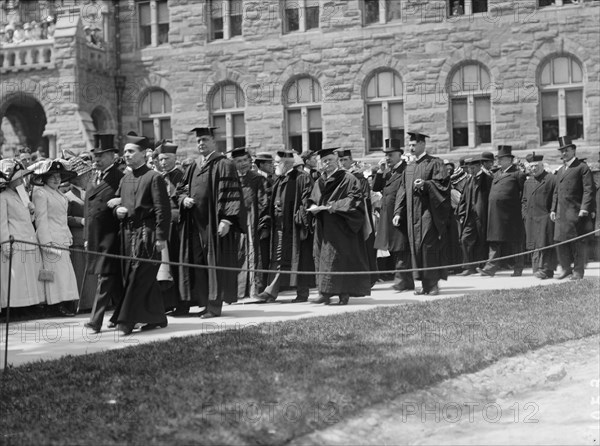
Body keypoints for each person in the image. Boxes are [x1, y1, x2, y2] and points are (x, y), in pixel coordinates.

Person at [177, 127, 246, 318]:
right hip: (195, 223)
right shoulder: (192, 166)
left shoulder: (224, 164)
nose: (201, 143)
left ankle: (215, 306)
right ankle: (205, 302)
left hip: (214, 222)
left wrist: (227, 219)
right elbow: (180, 189)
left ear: (214, 142)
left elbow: (233, 194)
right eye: (199, 140)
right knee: (199, 263)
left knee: (214, 263)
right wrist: (183, 199)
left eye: (205, 139)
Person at [110, 134, 171, 334]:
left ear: (144, 154)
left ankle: (126, 320)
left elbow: (163, 209)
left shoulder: (154, 178)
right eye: (125, 151)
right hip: (128, 233)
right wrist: (117, 211)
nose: (126, 155)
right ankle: (156, 318)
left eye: (130, 151)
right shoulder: (125, 178)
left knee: (138, 275)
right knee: (136, 275)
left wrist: (161, 237)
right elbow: (117, 202)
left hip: (148, 234)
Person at [309, 148, 371, 305]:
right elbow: (313, 199)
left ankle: (344, 293)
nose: (327, 163)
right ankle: (325, 293)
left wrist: (333, 206)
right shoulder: (319, 181)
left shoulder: (348, 178)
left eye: (330, 159)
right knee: (323, 258)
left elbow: (355, 199)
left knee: (341, 259)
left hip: (342, 226)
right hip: (323, 226)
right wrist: (312, 207)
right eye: (324, 161)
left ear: (336, 160)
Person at [393, 132, 451, 295]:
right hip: (412, 215)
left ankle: (433, 284)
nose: (411, 148)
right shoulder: (409, 168)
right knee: (416, 248)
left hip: (428, 214)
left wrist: (427, 184)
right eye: (409, 145)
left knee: (428, 247)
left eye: (414, 144)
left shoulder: (435, 163)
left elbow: (444, 186)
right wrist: (398, 211)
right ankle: (425, 285)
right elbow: (402, 190)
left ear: (423, 145)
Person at [257, 149, 315, 303]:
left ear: (286, 163)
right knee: (277, 258)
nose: (274, 165)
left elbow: (308, 201)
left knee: (299, 258)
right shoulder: (278, 179)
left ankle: (302, 293)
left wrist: (300, 219)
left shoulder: (303, 178)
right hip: (279, 226)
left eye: (277, 162)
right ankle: (271, 291)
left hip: (294, 227)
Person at [83, 134, 124, 333]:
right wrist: (86, 237)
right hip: (95, 236)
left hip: (111, 236)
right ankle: (120, 315)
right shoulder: (93, 177)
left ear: (112, 157)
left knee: (105, 277)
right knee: (112, 280)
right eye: (95, 155)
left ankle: (95, 320)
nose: (96, 159)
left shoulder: (119, 177)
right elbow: (87, 209)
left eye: (101, 155)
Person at [30, 159, 80, 316]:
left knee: (64, 273)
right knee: (52, 274)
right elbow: (41, 219)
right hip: (50, 238)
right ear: (44, 178)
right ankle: (54, 304)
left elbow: (62, 219)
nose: (56, 179)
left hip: (62, 238)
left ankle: (65, 302)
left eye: (58, 176)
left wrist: (68, 235)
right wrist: (46, 242)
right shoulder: (40, 193)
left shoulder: (60, 193)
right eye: (52, 176)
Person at [0, 159, 45, 310]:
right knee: (16, 277)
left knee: (30, 275)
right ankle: (14, 308)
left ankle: (30, 305)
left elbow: (28, 219)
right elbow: (2, 223)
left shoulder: (23, 194)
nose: (21, 180)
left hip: (29, 238)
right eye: (17, 178)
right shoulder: (3, 197)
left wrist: (31, 211)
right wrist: (5, 244)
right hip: (15, 240)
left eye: (21, 177)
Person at [477, 145, 526, 277]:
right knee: (494, 240)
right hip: (495, 214)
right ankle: (490, 268)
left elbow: (523, 194)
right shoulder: (496, 174)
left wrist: (522, 210)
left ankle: (518, 268)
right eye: (498, 158)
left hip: (511, 214)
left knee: (515, 241)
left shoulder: (517, 174)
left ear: (510, 160)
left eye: (502, 158)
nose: (498, 161)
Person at [551, 136, 595, 280]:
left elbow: (589, 189)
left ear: (574, 151)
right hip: (560, 213)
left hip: (575, 212)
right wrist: (553, 209)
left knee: (576, 243)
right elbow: (556, 191)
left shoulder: (582, 168)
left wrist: (584, 208)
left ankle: (578, 271)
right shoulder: (561, 170)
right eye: (562, 151)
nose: (564, 153)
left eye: (567, 150)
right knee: (559, 241)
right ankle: (565, 269)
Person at [373, 138, 414, 290]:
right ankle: (407, 282)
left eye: (391, 155)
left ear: (400, 155)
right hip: (388, 216)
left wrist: (399, 213)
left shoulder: (405, 170)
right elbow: (376, 188)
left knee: (401, 248)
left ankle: (400, 281)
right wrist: (380, 172)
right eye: (386, 155)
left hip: (399, 215)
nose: (387, 158)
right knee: (396, 249)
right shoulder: (389, 172)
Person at [230, 147, 269, 299]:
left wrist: (262, 223)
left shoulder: (257, 179)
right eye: (239, 161)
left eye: (245, 160)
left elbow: (263, 202)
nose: (243, 164)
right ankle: (238, 291)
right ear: (233, 163)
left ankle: (255, 290)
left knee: (254, 255)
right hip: (234, 223)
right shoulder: (230, 179)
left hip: (251, 222)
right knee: (236, 255)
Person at [337, 148, 378, 284]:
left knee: (364, 247)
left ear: (351, 160)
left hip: (360, 217)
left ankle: (369, 278)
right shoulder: (339, 177)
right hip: (344, 218)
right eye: (341, 160)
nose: (343, 162)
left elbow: (365, 199)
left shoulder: (359, 178)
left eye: (345, 160)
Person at [154, 140, 185, 314]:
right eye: (161, 159)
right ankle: (167, 303)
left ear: (174, 158)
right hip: (164, 225)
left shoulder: (181, 176)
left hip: (177, 225)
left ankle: (180, 303)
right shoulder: (159, 177)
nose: (163, 162)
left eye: (166, 159)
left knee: (176, 264)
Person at [65, 156, 97, 311]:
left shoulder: (92, 191)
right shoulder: (68, 196)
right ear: (77, 178)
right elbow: (64, 218)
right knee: (80, 271)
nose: (88, 177)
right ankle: (82, 304)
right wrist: (80, 220)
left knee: (92, 273)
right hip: (78, 237)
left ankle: (93, 303)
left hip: (92, 236)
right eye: (85, 175)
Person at [522, 152, 557, 279]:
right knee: (534, 244)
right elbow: (524, 200)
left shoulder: (551, 179)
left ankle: (546, 269)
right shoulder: (528, 182)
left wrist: (553, 211)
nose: (533, 168)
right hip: (531, 218)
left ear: (542, 165)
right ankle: (537, 269)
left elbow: (555, 197)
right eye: (531, 167)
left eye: (536, 165)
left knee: (546, 244)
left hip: (545, 217)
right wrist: (525, 214)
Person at [456, 155, 493, 275]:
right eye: (469, 168)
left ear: (479, 166)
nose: (470, 171)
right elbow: (463, 198)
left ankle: (481, 266)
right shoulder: (469, 180)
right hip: (469, 216)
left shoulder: (487, 180)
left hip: (482, 215)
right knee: (464, 239)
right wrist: (461, 213)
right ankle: (468, 266)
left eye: (472, 168)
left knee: (482, 241)